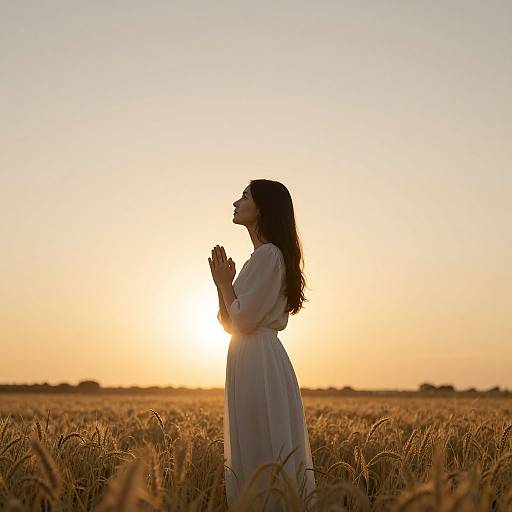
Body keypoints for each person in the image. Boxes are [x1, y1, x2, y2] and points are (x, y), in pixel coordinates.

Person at [208, 179, 316, 510]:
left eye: (244, 197)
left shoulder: (269, 256)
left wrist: (227, 284)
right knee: (254, 442)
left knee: (261, 445)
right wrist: (220, 284)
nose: (236, 203)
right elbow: (227, 322)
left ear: (262, 209)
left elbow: (242, 321)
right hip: (248, 357)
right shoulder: (260, 258)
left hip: (258, 360)